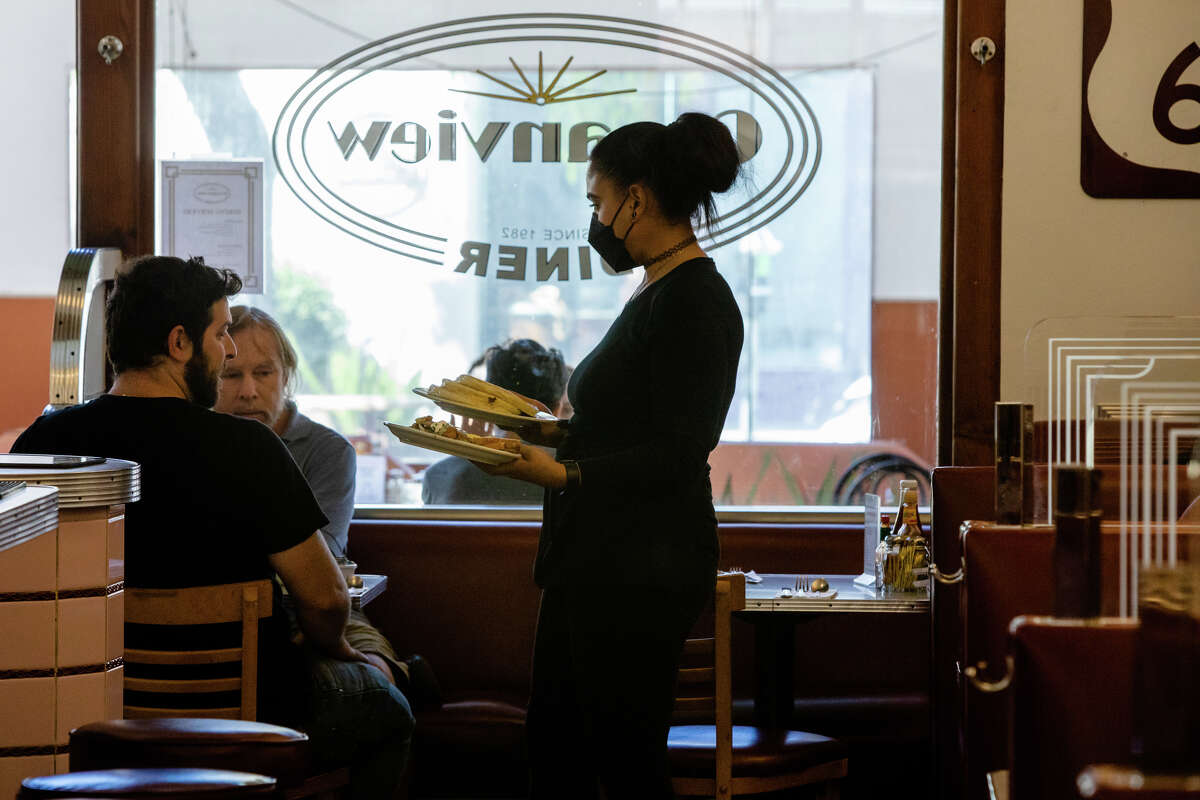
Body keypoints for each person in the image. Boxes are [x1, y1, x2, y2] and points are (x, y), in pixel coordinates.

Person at [12, 256, 413, 797]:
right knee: (389, 708)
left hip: (86, 710)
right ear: (180, 342)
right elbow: (323, 600)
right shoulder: (250, 450)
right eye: (221, 333)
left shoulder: (43, 443)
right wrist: (339, 647)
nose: (227, 351)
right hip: (251, 716)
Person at [478, 112, 745, 798]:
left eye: (598, 200)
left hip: (642, 568)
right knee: (559, 744)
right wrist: (538, 432)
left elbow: (679, 451)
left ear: (638, 198)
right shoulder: (656, 287)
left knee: (619, 760)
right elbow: (625, 428)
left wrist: (564, 472)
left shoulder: (695, 301)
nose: (595, 219)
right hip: (597, 559)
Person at [214, 305, 439, 705]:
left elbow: (328, 554)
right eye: (231, 375)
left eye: (263, 373)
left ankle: (399, 679)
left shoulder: (327, 450)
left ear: (287, 377)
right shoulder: (200, 443)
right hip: (225, 610)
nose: (248, 390)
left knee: (370, 669)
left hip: (313, 606)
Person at [421, 338, 567, 505]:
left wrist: (468, 446)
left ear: (488, 404)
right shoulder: (574, 475)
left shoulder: (439, 477)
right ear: (558, 407)